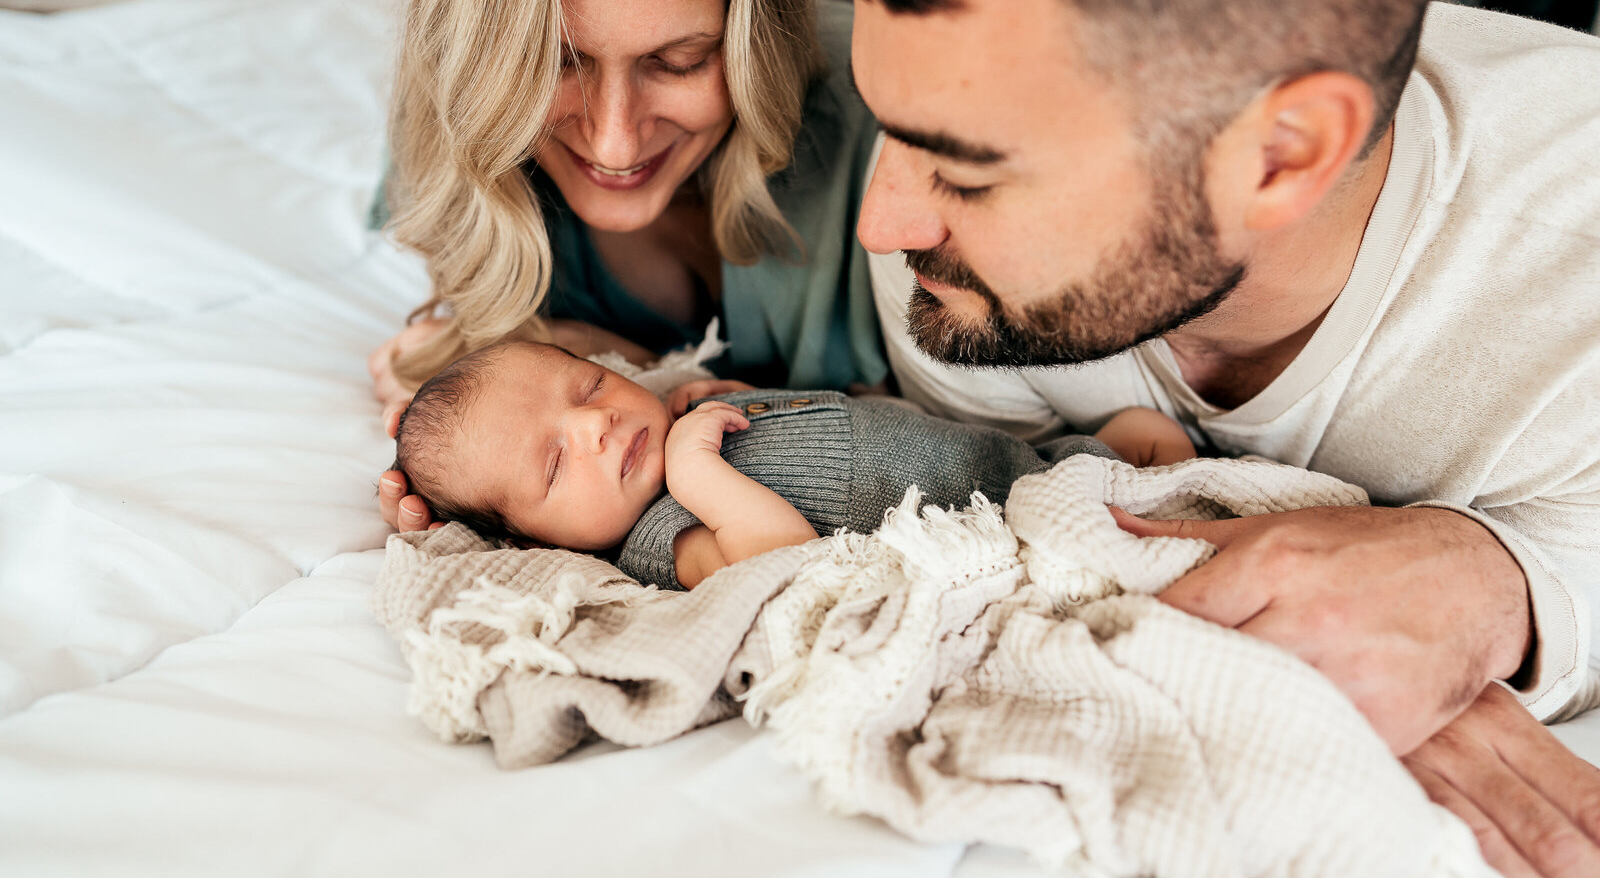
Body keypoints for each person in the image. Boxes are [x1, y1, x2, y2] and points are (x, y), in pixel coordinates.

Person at [830, 0, 1600, 878]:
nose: (886, 222)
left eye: (967, 170)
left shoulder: (1576, 273)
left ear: (1282, 153)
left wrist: (1509, 592)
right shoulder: (950, 280)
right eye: (892, 128)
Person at [370, 0, 889, 533]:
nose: (614, 144)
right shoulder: (461, 137)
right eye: (555, 62)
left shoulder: (888, 108)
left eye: (680, 61)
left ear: (753, 29)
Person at [389, 340, 1194, 589]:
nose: (596, 423)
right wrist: (697, 472)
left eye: (589, 385)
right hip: (1003, 510)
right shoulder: (660, 536)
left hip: (989, 449)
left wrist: (738, 400)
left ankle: (1124, 466)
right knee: (1147, 501)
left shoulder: (679, 411)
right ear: (536, 543)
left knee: (1140, 437)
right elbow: (777, 554)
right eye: (555, 463)